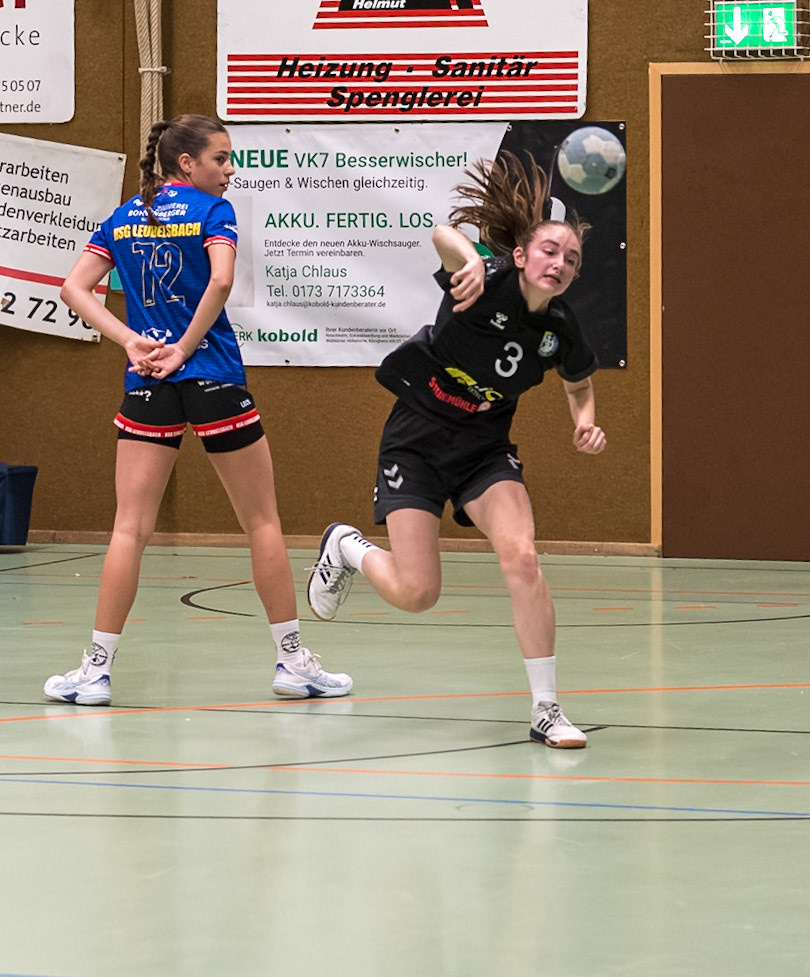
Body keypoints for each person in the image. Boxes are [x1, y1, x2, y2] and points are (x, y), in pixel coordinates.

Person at [46, 113, 352, 707]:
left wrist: (131, 341)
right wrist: (185, 347)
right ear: (186, 163)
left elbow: (73, 289)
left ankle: (95, 672)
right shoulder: (214, 212)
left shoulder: (122, 217)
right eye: (221, 158)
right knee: (261, 522)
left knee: (128, 528)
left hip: (147, 380)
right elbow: (220, 282)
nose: (230, 170)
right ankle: (293, 663)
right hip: (212, 374)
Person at [305, 151, 605, 750]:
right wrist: (469, 258)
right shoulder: (482, 279)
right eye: (550, 250)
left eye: (571, 258)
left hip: (484, 449)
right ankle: (347, 548)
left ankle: (546, 709)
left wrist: (586, 422)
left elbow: (579, 384)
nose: (560, 263)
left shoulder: (560, 328)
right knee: (418, 593)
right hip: (416, 439)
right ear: (520, 255)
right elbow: (442, 232)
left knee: (522, 556)